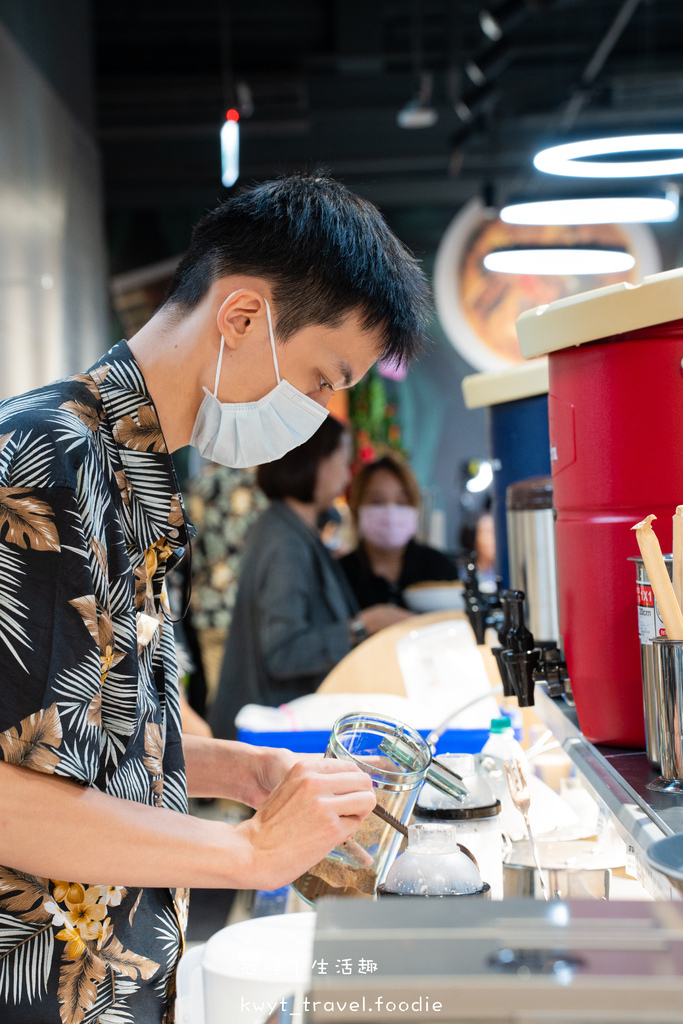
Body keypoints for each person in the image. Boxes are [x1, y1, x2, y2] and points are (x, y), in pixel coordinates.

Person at [0, 174, 430, 1022]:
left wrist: (244, 772)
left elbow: (79, 740)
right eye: (318, 379)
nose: (316, 416)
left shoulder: (136, 475)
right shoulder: (50, 464)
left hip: (116, 976)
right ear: (241, 319)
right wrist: (249, 850)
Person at [210, 417, 410, 740]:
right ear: (316, 460)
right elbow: (282, 652)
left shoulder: (294, 531)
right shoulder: (285, 542)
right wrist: (363, 626)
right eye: (343, 462)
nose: (346, 476)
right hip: (270, 738)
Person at [339, 454, 458, 608]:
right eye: (377, 502)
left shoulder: (439, 568)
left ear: (415, 508)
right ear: (356, 508)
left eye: (401, 502)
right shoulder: (340, 575)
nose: (390, 513)